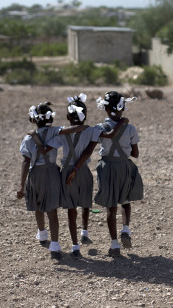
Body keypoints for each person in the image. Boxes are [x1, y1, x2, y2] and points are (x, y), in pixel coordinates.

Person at [33, 94, 129, 257]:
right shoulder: (92, 131)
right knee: (85, 205)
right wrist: (122, 121)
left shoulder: (62, 133)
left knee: (71, 210)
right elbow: (108, 137)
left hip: (66, 173)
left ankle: (75, 246)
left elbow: (45, 149)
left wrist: (34, 135)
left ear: (68, 117)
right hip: (83, 172)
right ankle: (85, 231)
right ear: (86, 115)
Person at [67, 91, 143, 257]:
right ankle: (125, 229)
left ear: (106, 109)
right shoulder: (130, 128)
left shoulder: (99, 128)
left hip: (107, 168)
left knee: (111, 206)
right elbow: (135, 154)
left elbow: (89, 150)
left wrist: (76, 167)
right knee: (125, 200)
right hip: (124, 167)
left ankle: (114, 245)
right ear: (123, 108)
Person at [17, 102, 88, 260]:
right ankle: (55, 245)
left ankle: (42, 233)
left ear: (34, 120)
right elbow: (71, 129)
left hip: (36, 173)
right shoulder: (56, 131)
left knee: (38, 204)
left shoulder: (28, 138)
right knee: (52, 210)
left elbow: (25, 161)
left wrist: (21, 184)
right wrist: (82, 126)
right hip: (53, 173)